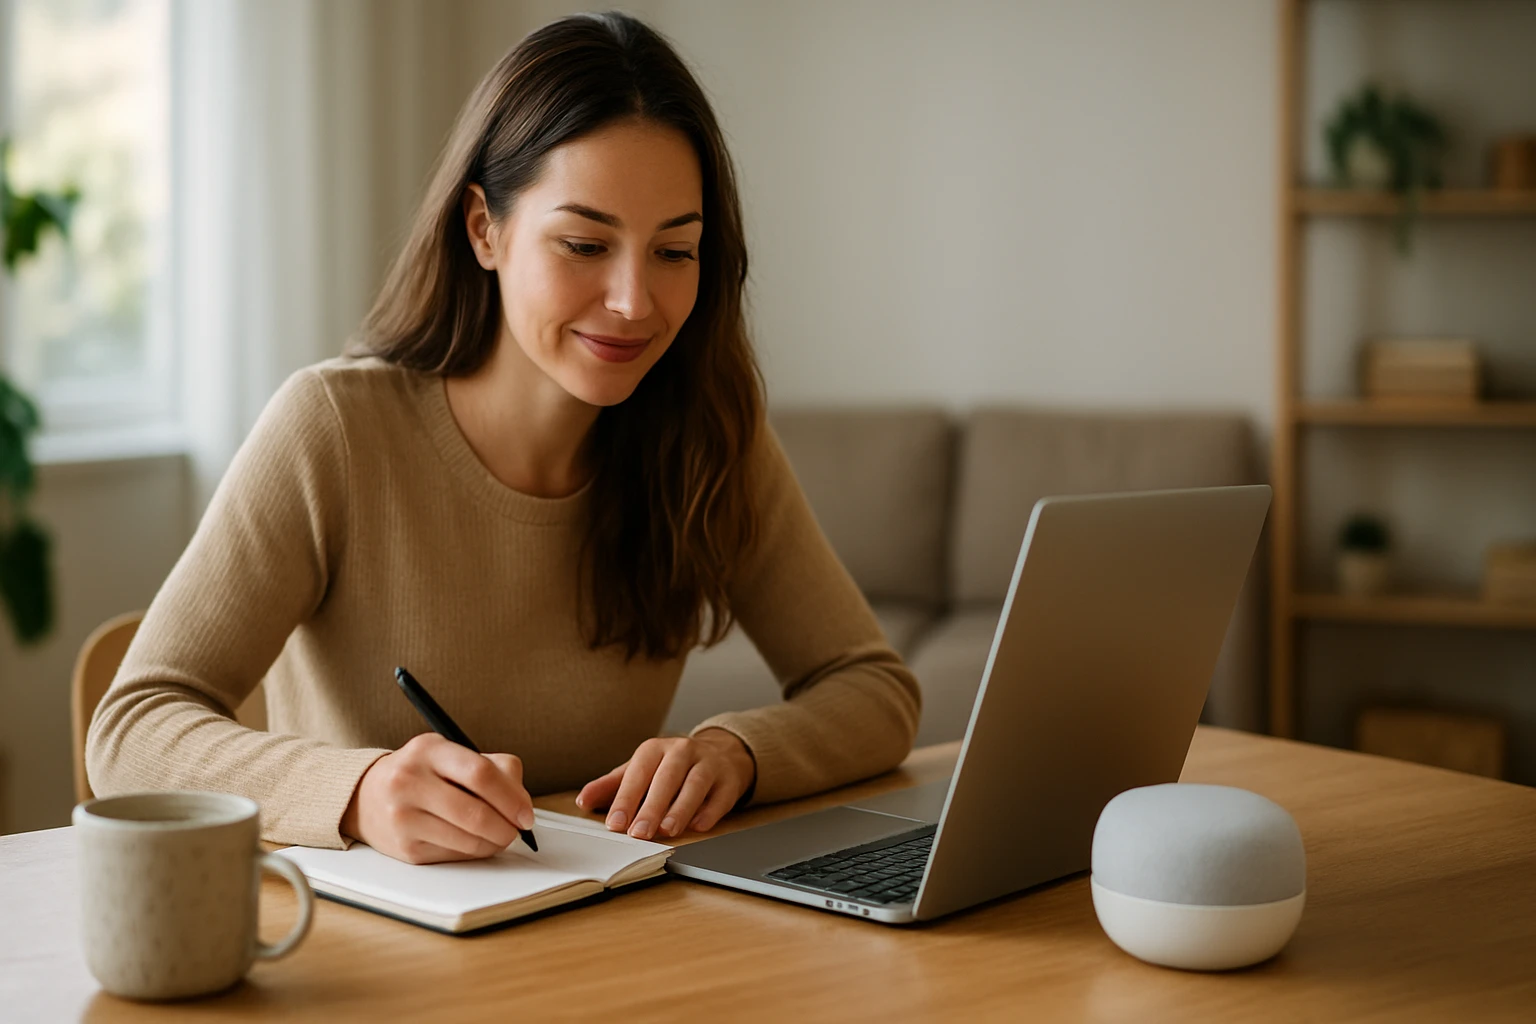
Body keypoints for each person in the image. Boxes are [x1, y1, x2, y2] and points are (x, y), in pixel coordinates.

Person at [87, 11, 920, 865]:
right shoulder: (333, 431)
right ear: (485, 228)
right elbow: (129, 733)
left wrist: (735, 754)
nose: (635, 300)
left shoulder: (707, 436)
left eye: (676, 252)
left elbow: (875, 690)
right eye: (585, 243)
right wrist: (361, 792)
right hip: (372, 958)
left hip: (607, 938)